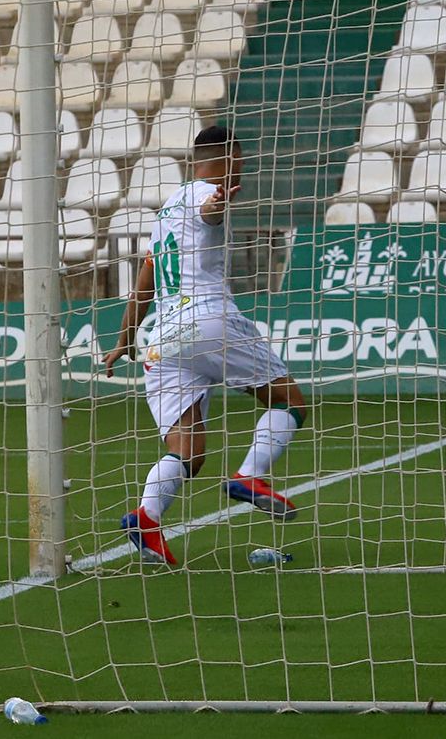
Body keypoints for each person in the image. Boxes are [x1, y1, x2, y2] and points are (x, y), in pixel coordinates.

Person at [103, 125, 308, 565]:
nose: (244, 168)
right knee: (290, 402)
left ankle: (147, 518)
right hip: (209, 321)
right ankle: (250, 477)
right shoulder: (204, 194)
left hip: (164, 340)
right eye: (241, 159)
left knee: (187, 453)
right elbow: (210, 211)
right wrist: (218, 203)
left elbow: (146, 280)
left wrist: (124, 340)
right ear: (228, 157)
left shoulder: (164, 213)